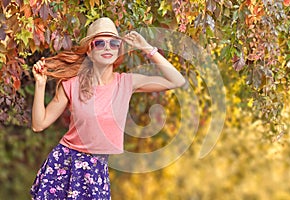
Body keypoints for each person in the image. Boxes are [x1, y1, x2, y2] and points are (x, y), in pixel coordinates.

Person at [30, 17, 185, 199]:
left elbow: (177, 80)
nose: (107, 47)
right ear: (89, 50)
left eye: (113, 43)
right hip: (65, 165)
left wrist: (147, 49)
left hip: (97, 170)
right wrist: (40, 85)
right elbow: (38, 125)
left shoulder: (127, 82)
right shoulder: (71, 85)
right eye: (100, 43)